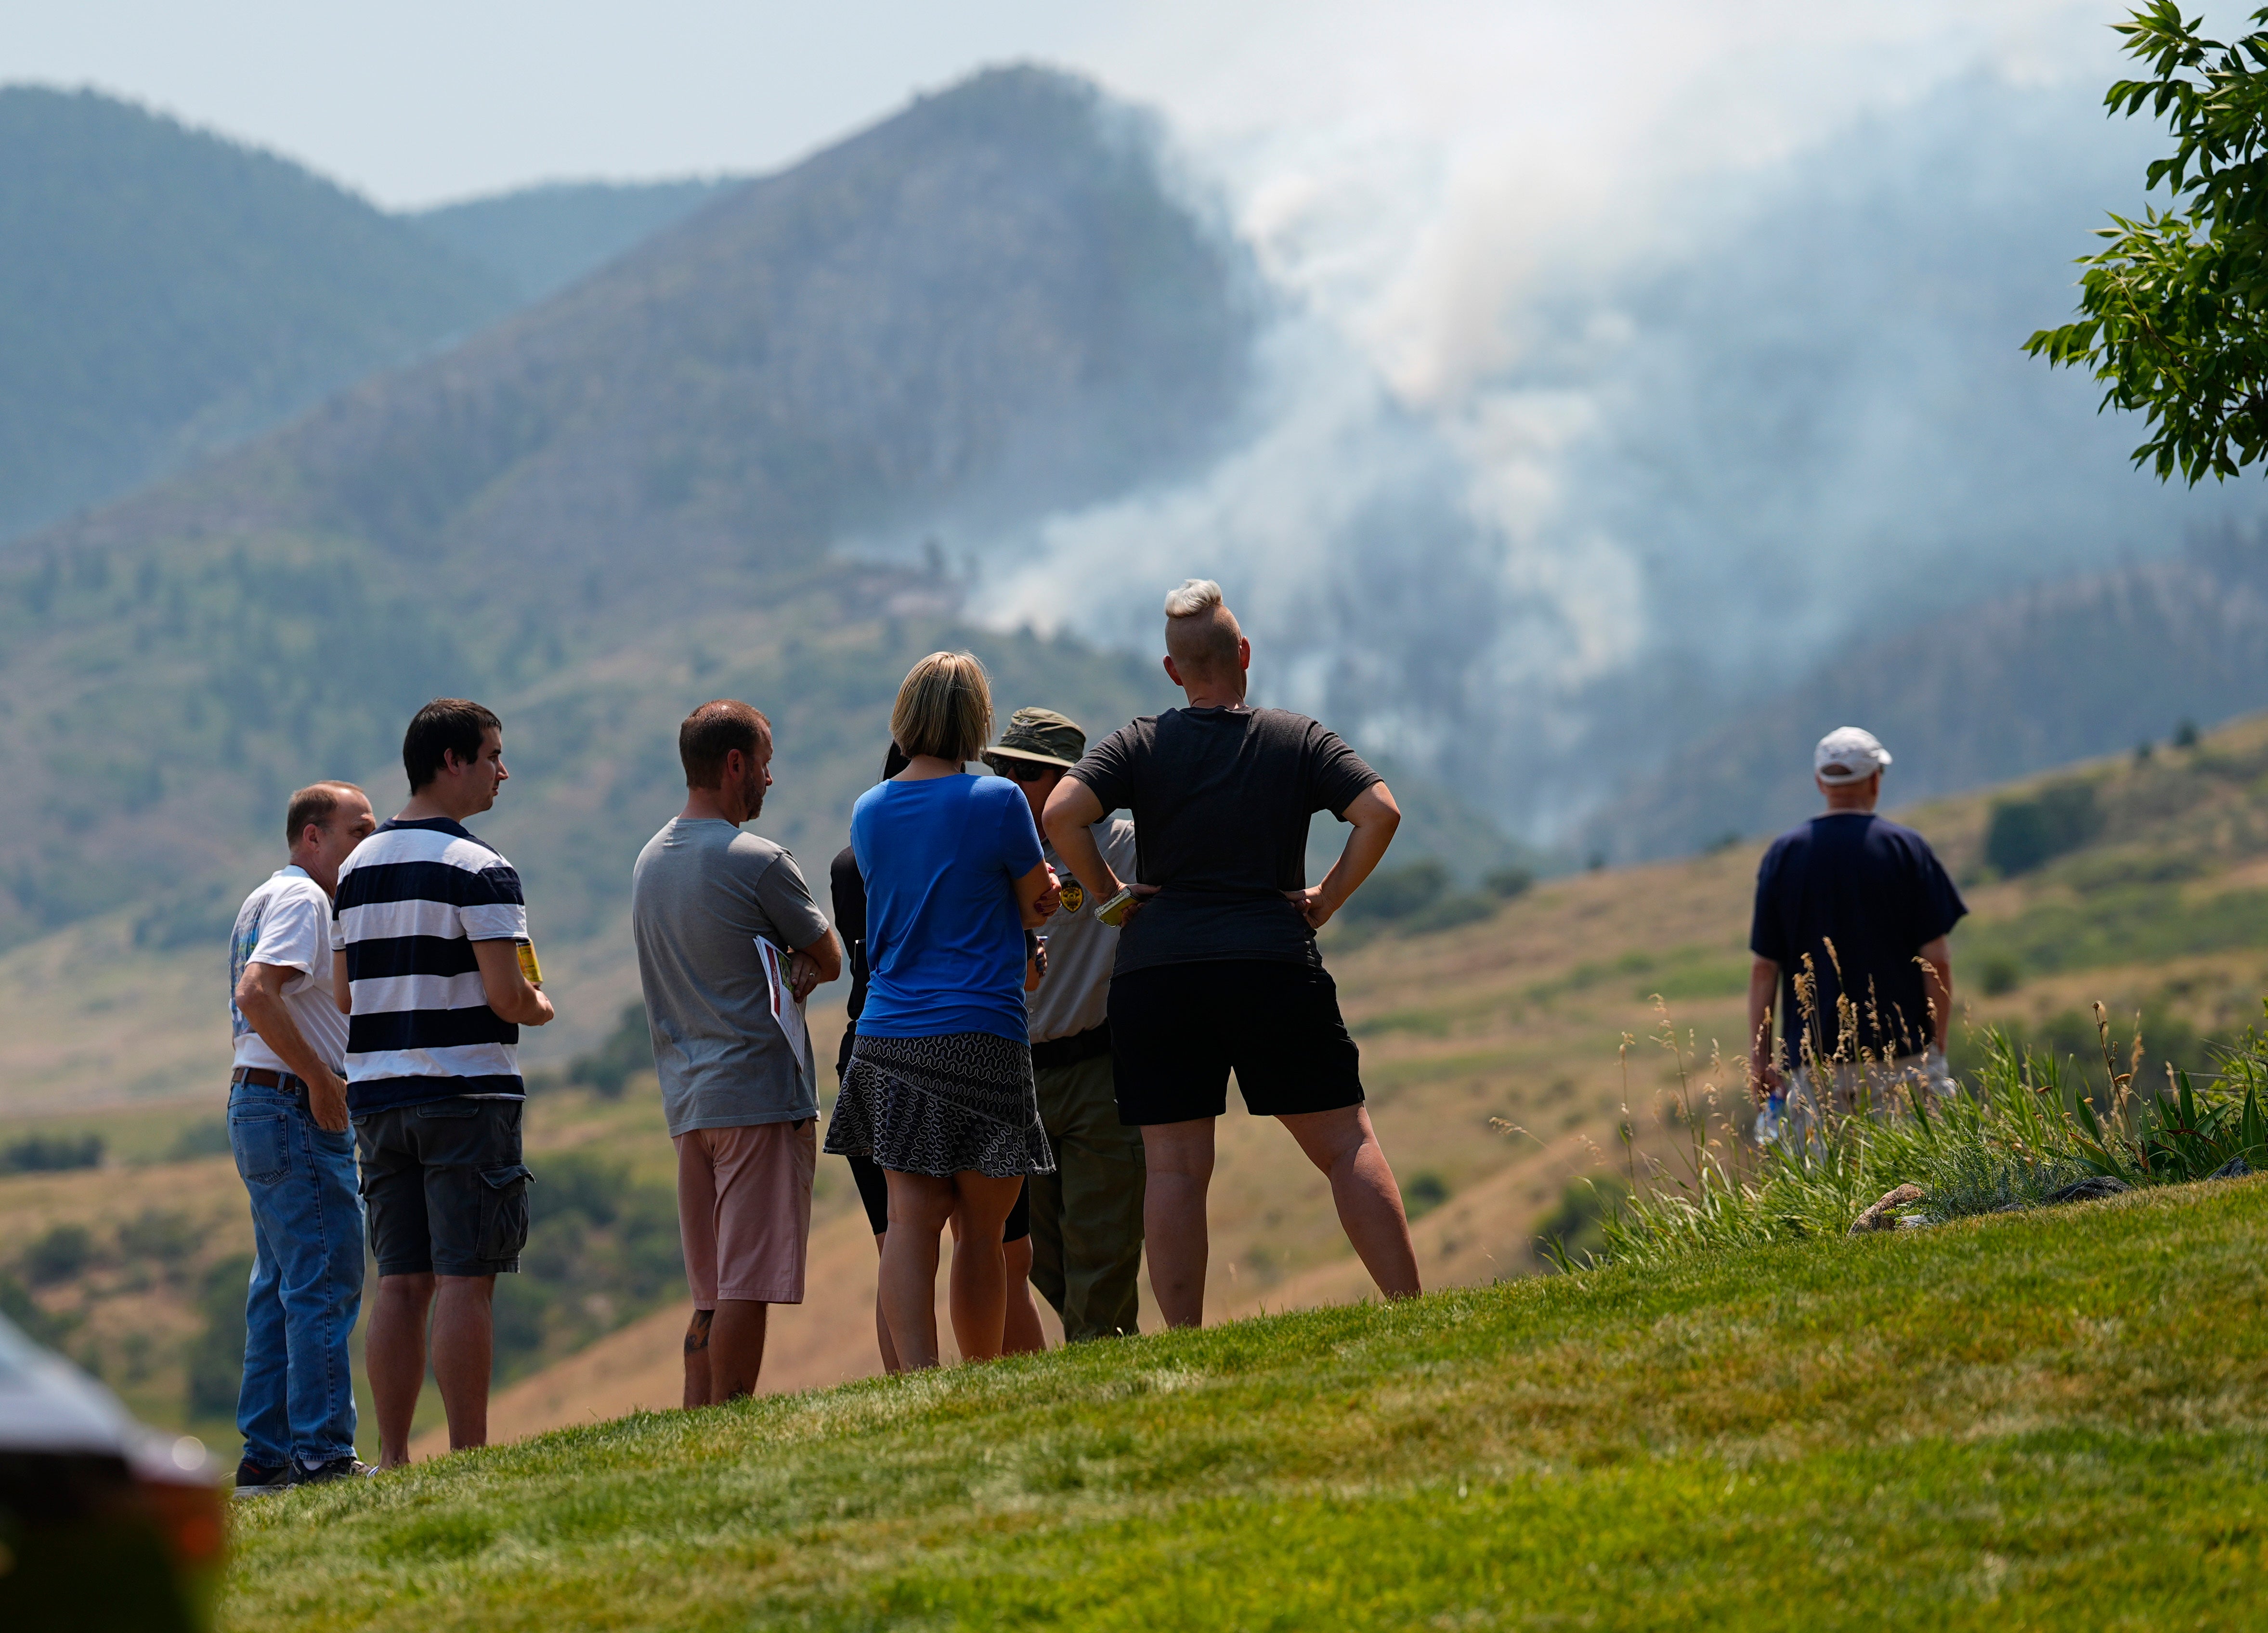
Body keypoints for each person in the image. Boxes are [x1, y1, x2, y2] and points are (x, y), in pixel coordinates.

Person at [1042, 579, 1420, 1328]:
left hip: (1157, 975)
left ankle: (1185, 1337)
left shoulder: (1139, 742)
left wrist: (1115, 899)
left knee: (1176, 1167)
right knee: (1345, 1143)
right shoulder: (1297, 738)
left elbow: (1061, 812)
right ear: (1243, 654)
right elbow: (1379, 812)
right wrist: (1324, 899)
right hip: (1271, 963)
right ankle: (1411, 1311)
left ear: (1173, 671)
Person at [333, 699, 554, 1467]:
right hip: (464, 1092)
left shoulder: (354, 871)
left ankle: (393, 1456)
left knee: (398, 1282)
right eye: (493, 754)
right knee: (467, 1279)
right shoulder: (481, 868)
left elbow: (341, 995)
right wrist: (541, 1005)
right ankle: (467, 1453)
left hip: (377, 1095)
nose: (503, 771)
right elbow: (507, 995)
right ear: (452, 761)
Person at [823, 652, 1059, 1370]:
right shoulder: (997, 801)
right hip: (981, 1029)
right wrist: (1042, 889)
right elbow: (1033, 901)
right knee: (982, 1234)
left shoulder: (868, 811)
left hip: (888, 1033)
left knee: (908, 1221)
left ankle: (916, 1383)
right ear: (976, 722)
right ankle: (981, 1377)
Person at [632, 700, 841, 1406]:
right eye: (765, 763)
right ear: (734, 765)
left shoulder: (648, 862)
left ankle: (698, 1416)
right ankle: (732, 1418)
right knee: (748, 1281)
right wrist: (796, 971)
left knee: (711, 1285)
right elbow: (829, 956)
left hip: (688, 1103)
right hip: (756, 1095)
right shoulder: (758, 862)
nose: (769, 780)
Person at [226, 781, 379, 1495]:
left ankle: (267, 1456)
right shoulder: (306, 901)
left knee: (280, 1285)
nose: (366, 846)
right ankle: (320, 1455)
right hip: (291, 1108)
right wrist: (320, 1079)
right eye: (357, 831)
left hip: (258, 1106)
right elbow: (257, 993)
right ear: (312, 836)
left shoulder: (264, 897)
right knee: (324, 1277)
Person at [981, 707, 1147, 1342]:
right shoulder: (994, 850)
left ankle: (1100, 1376)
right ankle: (1095, 1356)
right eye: (1000, 769)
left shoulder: (1119, 844)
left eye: (1023, 772)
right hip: (1014, 1079)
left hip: (1095, 1075)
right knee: (1033, 1256)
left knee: (1101, 1249)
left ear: (1066, 781)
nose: (1006, 782)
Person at [1747, 726, 1965, 1144]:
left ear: (1819, 783)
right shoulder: (1906, 848)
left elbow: (1764, 969)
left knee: (1828, 1188)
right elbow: (1937, 958)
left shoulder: (1783, 854)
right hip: (1903, 1054)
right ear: (1875, 780)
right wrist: (1935, 1042)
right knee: (1921, 1176)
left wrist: (1761, 1059)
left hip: (1815, 1061)